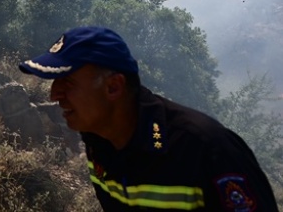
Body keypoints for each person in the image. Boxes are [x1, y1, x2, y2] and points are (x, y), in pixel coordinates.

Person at [19, 26, 278, 211]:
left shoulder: (205, 148)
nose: (54, 95)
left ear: (113, 87)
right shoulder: (98, 141)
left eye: (67, 82)